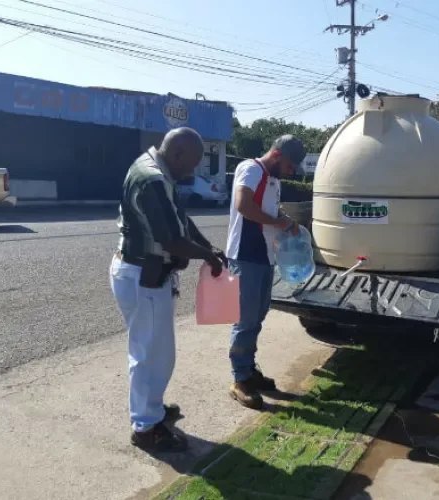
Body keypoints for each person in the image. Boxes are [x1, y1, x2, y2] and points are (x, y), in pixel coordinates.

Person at [109, 127, 226, 453]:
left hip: (145, 274)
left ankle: (152, 410)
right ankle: (147, 428)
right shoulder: (154, 180)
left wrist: (208, 247)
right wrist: (207, 257)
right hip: (143, 277)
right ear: (177, 154)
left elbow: (180, 221)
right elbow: (171, 239)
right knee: (150, 356)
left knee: (157, 353)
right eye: (191, 164)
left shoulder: (154, 167)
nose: (192, 171)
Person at [225, 134, 306, 409]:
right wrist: (276, 222)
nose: (291, 172)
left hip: (264, 256)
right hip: (245, 255)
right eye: (290, 166)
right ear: (278, 155)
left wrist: (285, 221)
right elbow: (244, 205)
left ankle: (248, 369)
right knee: (245, 320)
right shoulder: (251, 169)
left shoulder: (273, 180)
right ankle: (239, 380)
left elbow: (269, 211)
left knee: (257, 317)